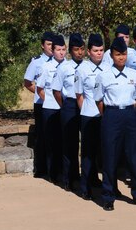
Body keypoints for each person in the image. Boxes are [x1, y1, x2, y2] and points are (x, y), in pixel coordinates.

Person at [94, 37, 136, 211]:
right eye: (118, 54)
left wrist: (127, 111)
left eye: (124, 54)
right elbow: (99, 101)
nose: (121, 57)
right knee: (110, 157)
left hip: (130, 115)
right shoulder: (103, 76)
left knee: (134, 156)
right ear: (111, 56)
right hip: (111, 115)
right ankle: (108, 196)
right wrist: (111, 114)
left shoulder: (134, 74)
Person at [52, 33, 85, 191]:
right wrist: (65, 105)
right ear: (71, 51)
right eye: (76, 49)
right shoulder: (64, 67)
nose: (80, 52)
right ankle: (68, 179)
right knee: (69, 144)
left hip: (85, 105)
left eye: (82, 49)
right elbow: (56, 91)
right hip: (70, 105)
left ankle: (87, 177)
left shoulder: (87, 67)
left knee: (87, 143)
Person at [74, 34, 105, 200]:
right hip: (89, 115)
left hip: (104, 116)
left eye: (101, 50)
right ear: (88, 52)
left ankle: (109, 186)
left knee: (106, 154)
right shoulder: (82, 69)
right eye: (95, 50)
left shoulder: (108, 67)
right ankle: (85, 187)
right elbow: (79, 95)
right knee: (88, 154)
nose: (98, 53)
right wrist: (85, 110)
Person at [23, 31, 54, 178]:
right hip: (42, 104)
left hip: (57, 104)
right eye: (48, 44)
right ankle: (41, 169)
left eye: (53, 44)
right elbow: (27, 82)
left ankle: (54, 168)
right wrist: (41, 94)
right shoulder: (36, 62)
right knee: (42, 136)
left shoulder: (60, 61)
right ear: (43, 46)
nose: (51, 47)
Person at [36, 35, 67, 182]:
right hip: (50, 108)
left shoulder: (69, 66)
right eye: (58, 50)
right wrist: (48, 100)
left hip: (65, 108)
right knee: (51, 142)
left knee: (64, 141)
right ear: (52, 51)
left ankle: (64, 171)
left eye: (63, 49)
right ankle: (53, 174)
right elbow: (39, 88)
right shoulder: (46, 67)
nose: (61, 52)